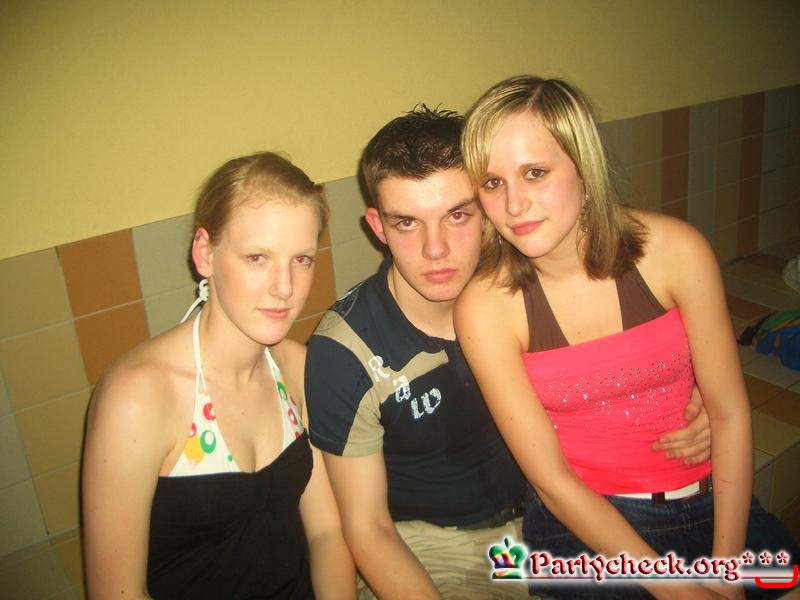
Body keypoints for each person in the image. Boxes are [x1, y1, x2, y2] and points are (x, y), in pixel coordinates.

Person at [304, 106, 712, 600]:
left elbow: (631, 355)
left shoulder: (532, 286)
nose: (436, 249)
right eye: (407, 222)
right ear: (377, 226)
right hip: (435, 548)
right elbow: (369, 530)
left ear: (488, 209)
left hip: (560, 513)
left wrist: (693, 395)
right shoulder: (347, 352)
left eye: (457, 215)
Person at [456, 75, 800, 600]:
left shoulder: (676, 251)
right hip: (585, 530)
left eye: (535, 173)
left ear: (583, 164)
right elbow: (552, 480)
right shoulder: (487, 306)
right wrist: (676, 589)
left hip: (715, 506)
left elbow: (729, 413)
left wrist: (726, 573)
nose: (515, 205)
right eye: (492, 183)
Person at [82, 152, 357, 599]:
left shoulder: (297, 368)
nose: (284, 287)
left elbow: (326, 532)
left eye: (302, 259)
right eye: (257, 257)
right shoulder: (138, 397)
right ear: (205, 254)